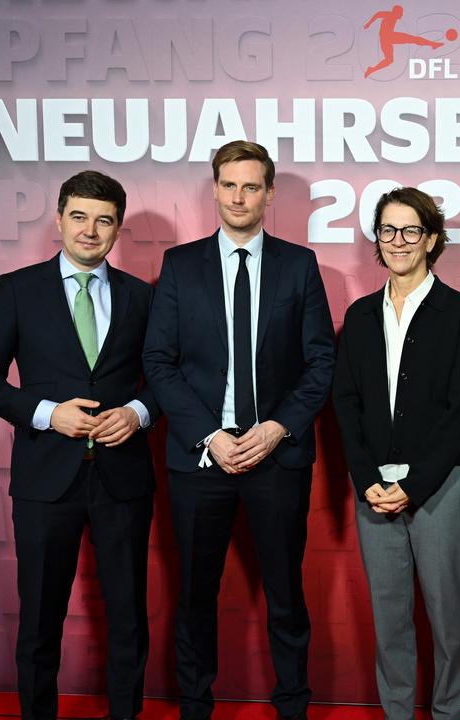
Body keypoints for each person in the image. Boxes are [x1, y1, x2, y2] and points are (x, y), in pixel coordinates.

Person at [142, 140, 335, 720]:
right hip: (202, 457)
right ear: (215, 190)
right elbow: (159, 361)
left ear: (269, 194)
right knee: (195, 596)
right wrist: (209, 434)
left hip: (276, 456)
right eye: (229, 185)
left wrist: (277, 428)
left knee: (285, 595)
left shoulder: (299, 265)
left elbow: (321, 361)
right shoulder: (181, 266)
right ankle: (195, 707)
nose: (239, 197)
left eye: (251, 186)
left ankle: (293, 707)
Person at [0, 170, 159, 720]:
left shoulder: (142, 297)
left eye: (103, 220)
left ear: (117, 227)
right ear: (59, 219)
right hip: (45, 480)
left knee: (128, 617)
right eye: (79, 216)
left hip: (123, 480)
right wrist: (49, 414)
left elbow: (165, 379)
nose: (90, 230)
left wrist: (138, 413)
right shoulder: (17, 289)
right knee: (40, 618)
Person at [332, 187, 460, 720]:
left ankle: (448, 714)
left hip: (441, 488)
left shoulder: (459, 313)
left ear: (431, 239)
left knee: (448, 621)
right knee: (389, 619)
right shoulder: (360, 315)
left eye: (411, 230)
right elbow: (345, 403)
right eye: (388, 230)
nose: (398, 241)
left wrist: (414, 486)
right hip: (373, 489)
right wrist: (365, 478)